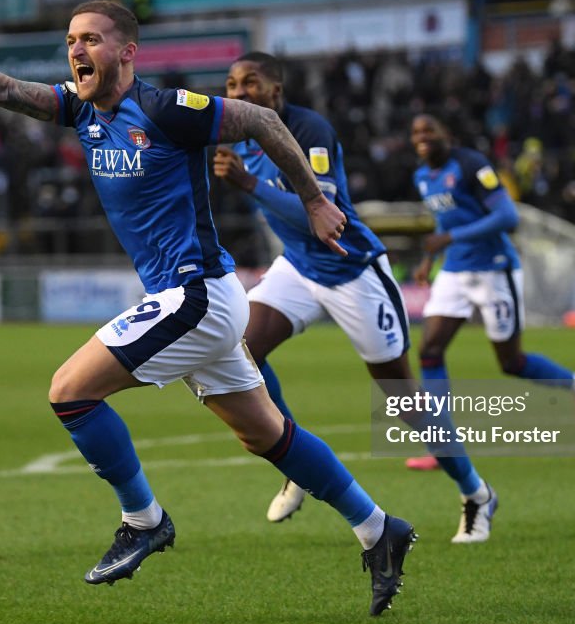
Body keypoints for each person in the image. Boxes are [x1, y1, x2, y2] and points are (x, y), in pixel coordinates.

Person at [0, 1, 414, 616]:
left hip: (198, 295)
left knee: (70, 392)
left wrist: (314, 200)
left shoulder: (164, 110)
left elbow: (261, 119)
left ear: (127, 52)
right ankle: (378, 529)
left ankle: (143, 518)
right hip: (191, 300)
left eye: (93, 40)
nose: (77, 51)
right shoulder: (80, 109)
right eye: (71, 39)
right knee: (266, 434)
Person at [213, 52, 498, 543]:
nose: (238, 93)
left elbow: (319, 212)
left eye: (250, 83)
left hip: (351, 269)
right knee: (241, 349)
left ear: (276, 91)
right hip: (299, 268)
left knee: (402, 399)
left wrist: (248, 182)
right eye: (231, 84)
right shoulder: (237, 136)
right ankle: (297, 463)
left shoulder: (309, 130)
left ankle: (476, 493)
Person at [403, 114, 575, 474]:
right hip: (455, 271)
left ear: (446, 133)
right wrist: (430, 258)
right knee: (430, 351)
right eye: (416, 132)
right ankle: (442, 443)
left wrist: (450, 239)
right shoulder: (422, 177)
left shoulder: (471, 165)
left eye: (429, 129)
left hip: (494, 269)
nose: (422, 137)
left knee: (511, 362)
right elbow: (443, 222)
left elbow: (508, 217)